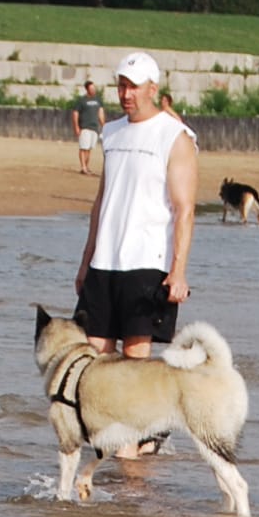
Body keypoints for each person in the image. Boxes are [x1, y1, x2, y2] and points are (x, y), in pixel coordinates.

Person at [75, 52, 197, 362]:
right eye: (121, 86)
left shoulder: (174, 136)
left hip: (147, 262)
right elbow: (102, 201)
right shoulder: (111, 132)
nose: (126, 94)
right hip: (105, 260)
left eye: (134, 87)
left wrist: (178, 272)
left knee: (135, 356)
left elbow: (184, 209)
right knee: (93, 353)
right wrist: (86, 261)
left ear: (152, 89)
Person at [70, 80, 105, 174]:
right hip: (85, 127)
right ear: (87, 89)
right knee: (83, 147)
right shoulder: (82, 101)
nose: (94, 90)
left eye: (94, 88)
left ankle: (86, 166)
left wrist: (104, 125)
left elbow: (100, 113)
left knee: (89, 148)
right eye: (91, 88)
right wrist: (76, 127)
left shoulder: (98, 100)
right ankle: (83, 167)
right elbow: (75, 113)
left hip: (94, 128)